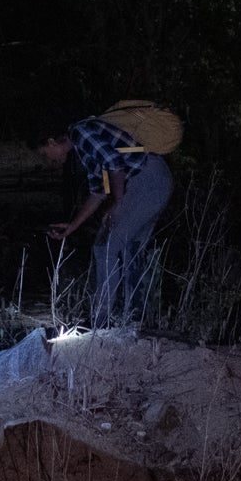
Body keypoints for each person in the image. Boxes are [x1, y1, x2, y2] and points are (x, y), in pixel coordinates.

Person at [39, 112, 174, 328]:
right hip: (150, 181)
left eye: (46, 154)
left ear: (52, 142)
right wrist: (72, 227)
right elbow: (99, 192)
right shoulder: (84, 146)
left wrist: (117, 203)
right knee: (129, 249)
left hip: (146, 180)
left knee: (106, 247)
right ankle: (132, 321)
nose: (49, 161)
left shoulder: (80, 132)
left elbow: (114, 162)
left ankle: (102, 319)